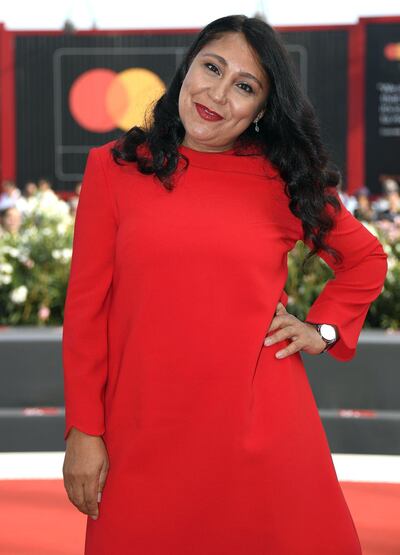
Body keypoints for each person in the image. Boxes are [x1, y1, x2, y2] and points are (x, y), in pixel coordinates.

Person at [62, 15, 388, 555]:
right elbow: (86, 310)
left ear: (261, 109)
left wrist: (322, 330)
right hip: (142, 434)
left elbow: (366, 260)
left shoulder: (284, 180)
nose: (217, 93)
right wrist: (84, 430)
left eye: (244, 86)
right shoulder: (115, 169)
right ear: (187, 67)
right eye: (211, 67)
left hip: (263, 434)